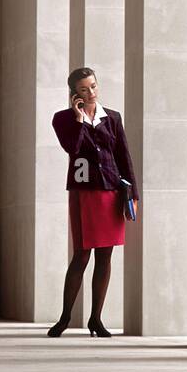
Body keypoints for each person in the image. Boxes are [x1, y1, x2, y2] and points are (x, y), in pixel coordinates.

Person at [46, 67, 139, 338]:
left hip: (111, 191)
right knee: (82, 255)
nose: (91, 93)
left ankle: (96, 319)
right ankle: (65, 318)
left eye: (94, 86)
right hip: (84, 193)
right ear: (75, 93)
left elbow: (123, 154)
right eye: (84, 89)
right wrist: (79, 118)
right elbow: (73, 149)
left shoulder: (112, 117)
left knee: (105, 256)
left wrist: (132, 193)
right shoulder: (63, 119)